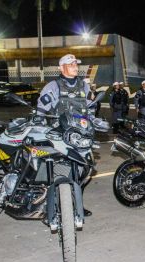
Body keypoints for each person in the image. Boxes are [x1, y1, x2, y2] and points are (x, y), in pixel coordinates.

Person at [37, 53, 93, 216]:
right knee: (57, 172)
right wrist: (39, 122)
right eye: (71, 64)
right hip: (59, 135)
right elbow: (41, 110)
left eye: (76, 64)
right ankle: (52, 206)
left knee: (82, 171)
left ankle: (77, 205)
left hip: (80, 135)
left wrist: (94, 122)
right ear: (62, 68)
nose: (76, 67)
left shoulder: (84, 86)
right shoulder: (53, 86)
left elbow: (90, 107)